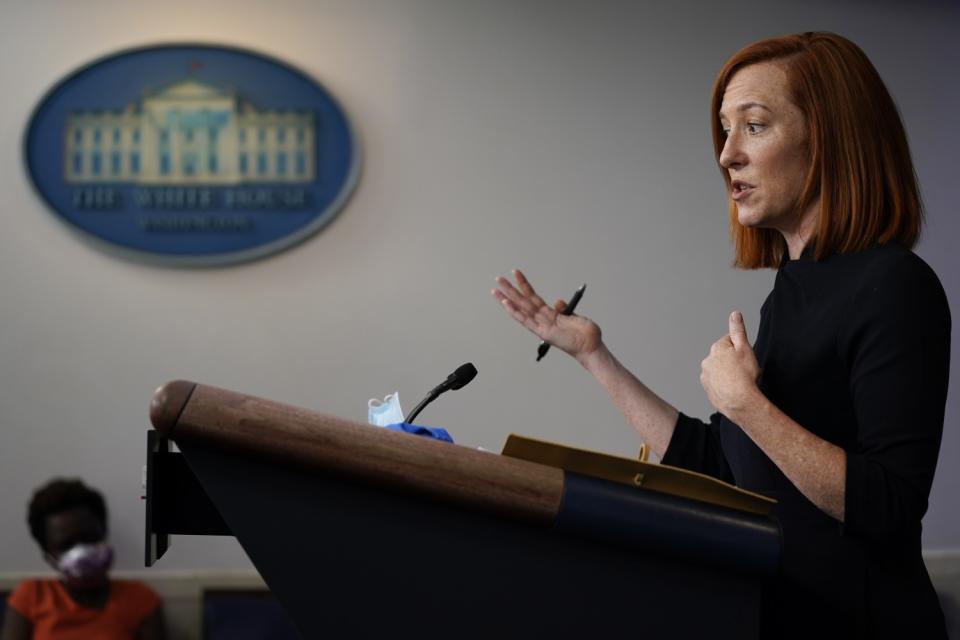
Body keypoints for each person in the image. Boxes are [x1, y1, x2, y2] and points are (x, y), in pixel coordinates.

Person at [492, 32, 949, 638]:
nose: (726, 154)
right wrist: (593, 355)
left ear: (830, 139)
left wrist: (746, 406)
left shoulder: (896, 284)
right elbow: (726, 469)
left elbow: (890, 508)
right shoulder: (791, 291)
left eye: (754, 127)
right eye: (724, 130)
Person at [1, 479, 165, 640]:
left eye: (90, 538)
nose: (82, 553)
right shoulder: (32, 596)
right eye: (67, 545)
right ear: (49, 557)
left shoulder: (139, 599)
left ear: (103, 534)